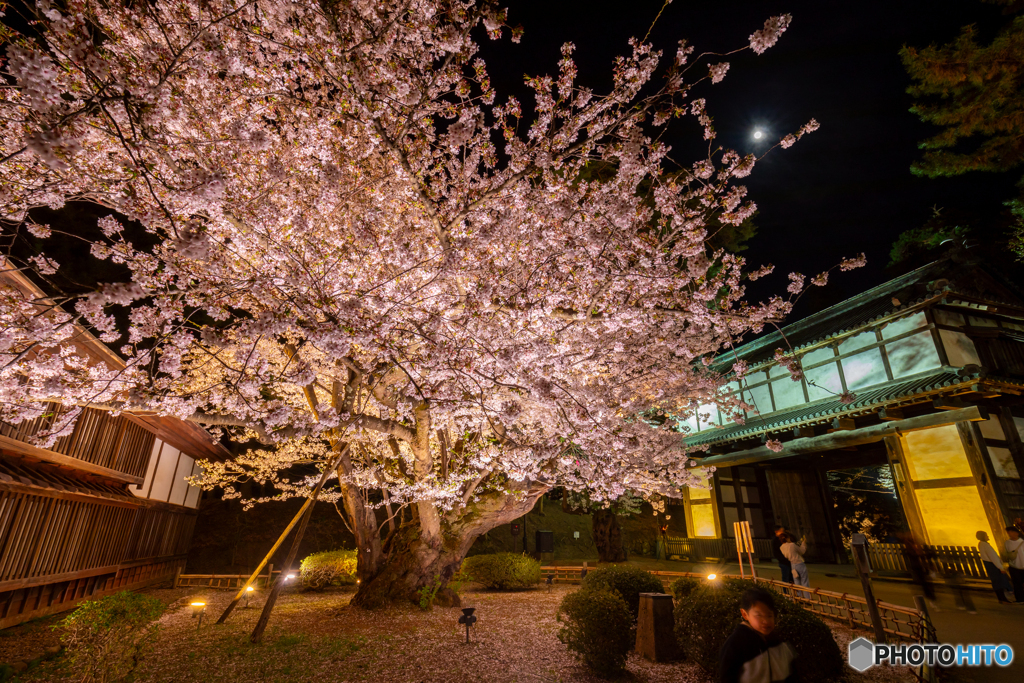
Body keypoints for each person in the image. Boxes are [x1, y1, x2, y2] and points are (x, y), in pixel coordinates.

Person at [719, 587, 797, 683]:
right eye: (758, 615)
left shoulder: (780, 643)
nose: (766, 621)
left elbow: (793, 674)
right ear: (745, 614)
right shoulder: (736, 645)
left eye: (769, 615)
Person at [976, 530, 1010, 604]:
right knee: (999, 582)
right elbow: (993, 557)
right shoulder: (985, 545)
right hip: (993, 565)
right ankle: (1003, 599)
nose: (987, 536)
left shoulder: (981, 544)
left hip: (989, 565)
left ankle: (1000, 599)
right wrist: (1000, 567)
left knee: (996, 582)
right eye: (986, 535)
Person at [1005, 525, 1024, 604]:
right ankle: (1020, 599)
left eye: (1011, 532)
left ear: (1016, 533)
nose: (1009, 534)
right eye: (1008, 532)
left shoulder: (1022, 542)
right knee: (1017, 584)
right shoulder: (1007, 543)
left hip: (1023, 566)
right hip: (1014, 567)